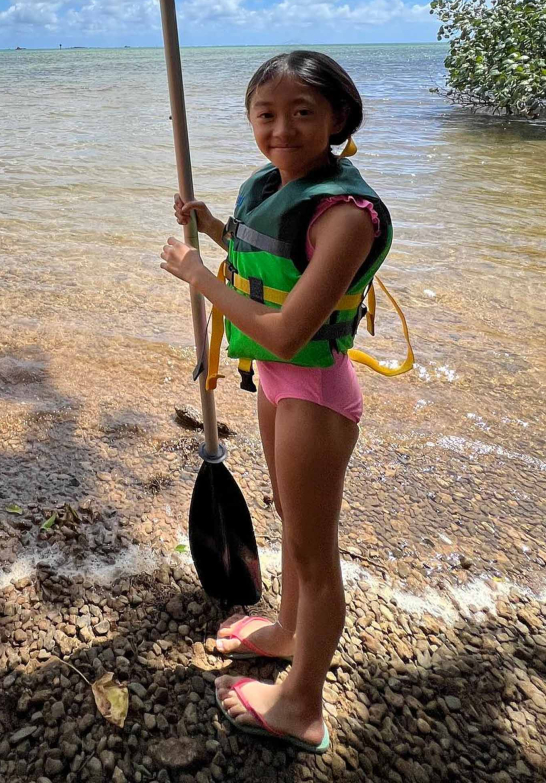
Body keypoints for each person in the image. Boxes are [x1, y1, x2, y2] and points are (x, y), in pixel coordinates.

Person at [160, 50, 393, 755]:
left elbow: (290, 334)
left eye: (302, 113)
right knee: (290, 521)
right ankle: (289, 633)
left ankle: (303, 706)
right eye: (266, 114)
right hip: (277, 386)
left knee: (315, 555)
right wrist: (212, 229)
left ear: (337, 120)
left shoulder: (345, 214)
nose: (282, 129)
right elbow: (273, 261)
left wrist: (198, 276)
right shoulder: (275, 185)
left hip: (314, 394)